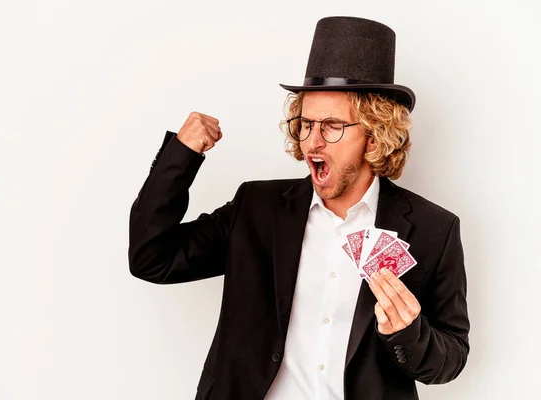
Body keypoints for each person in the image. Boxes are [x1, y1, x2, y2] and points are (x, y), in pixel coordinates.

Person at [128, 16, 470, 400]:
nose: (312, 142)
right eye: (306, 124)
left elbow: (452, 357)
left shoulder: (432, 229)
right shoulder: (256, 209)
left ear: (374, 140)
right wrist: (181, 155)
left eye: (332, 126)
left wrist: (408, 333)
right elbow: (151, 259)